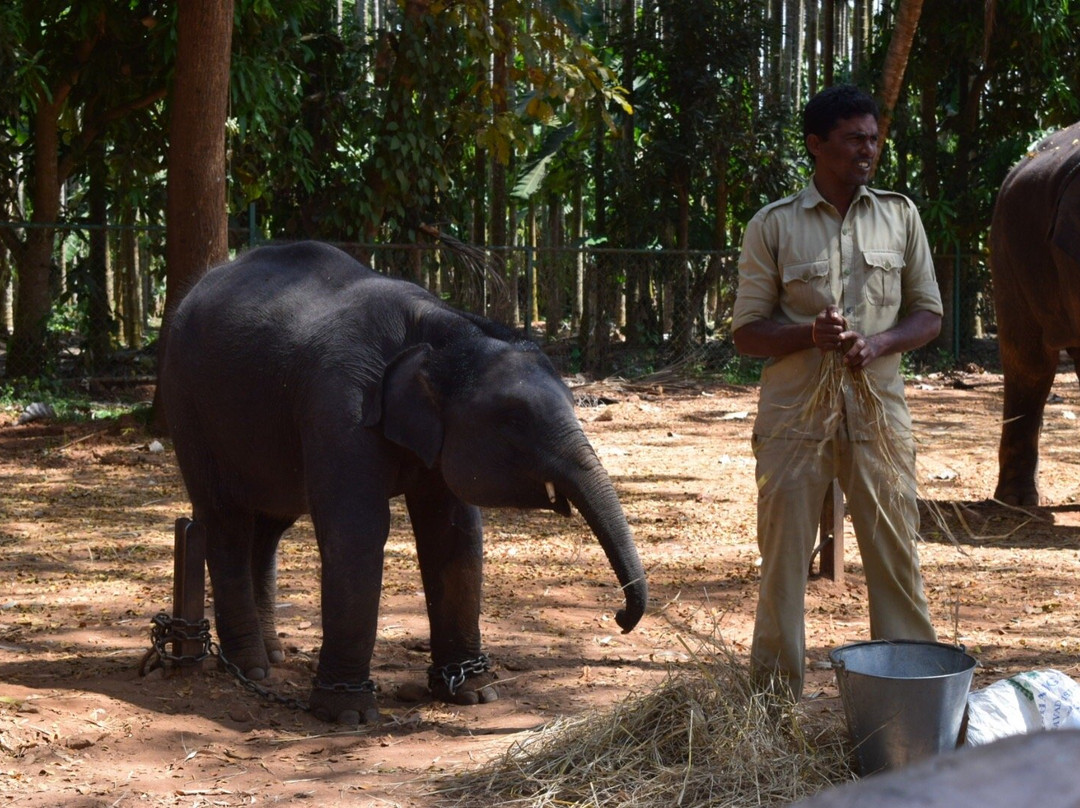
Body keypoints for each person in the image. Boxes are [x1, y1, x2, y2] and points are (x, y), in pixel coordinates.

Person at [731, 84, 941, 700]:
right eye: (854, 139)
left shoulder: (901, 216)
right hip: (795, 423)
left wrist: (878, 344)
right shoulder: (772, 225)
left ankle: (910, 704)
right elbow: (746, 333)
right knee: (783, 570)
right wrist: (806, 335)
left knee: (896, 564)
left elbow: (928, 315)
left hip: (879, 422)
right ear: (817, 145)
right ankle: (771, 714)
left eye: (873, 139)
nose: (867, 150)